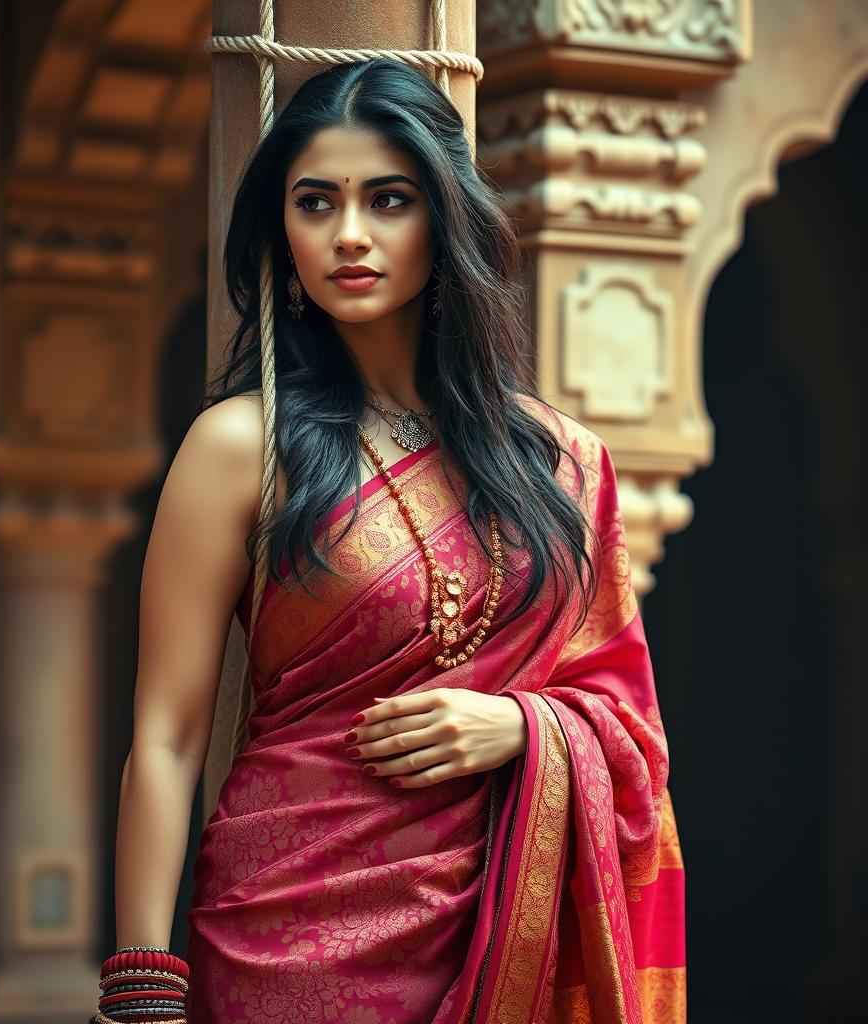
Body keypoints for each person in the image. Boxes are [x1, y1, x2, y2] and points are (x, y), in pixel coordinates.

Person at [97, 58, 686, 1024]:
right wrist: (141, 987)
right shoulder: (243, 445)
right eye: (316, 203)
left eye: (389, 199)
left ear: (445, 219)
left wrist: (525, 730)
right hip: (279, 933)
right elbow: (165, 738)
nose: (351, 235)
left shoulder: (562, 464)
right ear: (281, 235)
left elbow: (633, 736)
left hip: (502, 938)